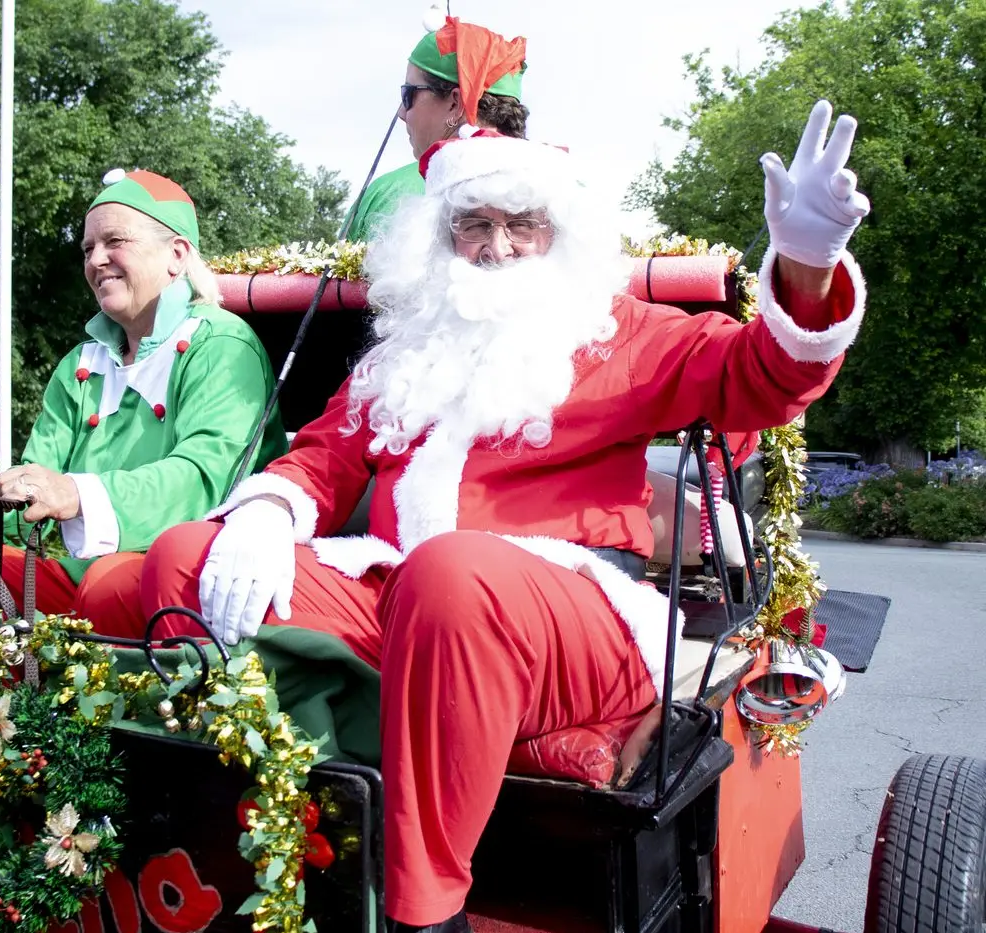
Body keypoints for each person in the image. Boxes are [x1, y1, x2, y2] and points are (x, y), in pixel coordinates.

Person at [140, 91, 870, 933]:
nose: (496, 246)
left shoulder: (618, 331)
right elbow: (324, 455)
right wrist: (268, 508)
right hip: (410, 601)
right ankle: (269, 842)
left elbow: (764, 378)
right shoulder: (407, 351)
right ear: (441, 240)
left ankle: (423, 913)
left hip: (579, 620)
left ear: (561, 233)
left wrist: (807, 263)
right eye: (472, 224)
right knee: (188, 558)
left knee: (453, 575)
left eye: (522, 222)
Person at [0, 169, 286, 643]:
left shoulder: (224, 344)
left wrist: (76, 494)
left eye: (114, 241)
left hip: (186, 571)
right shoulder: (79, 363)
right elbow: (36, 479)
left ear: (176, 255)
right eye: (88, 249)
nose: (96, 260)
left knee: (110, 584)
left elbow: (204, 482)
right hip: (79, 574)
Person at [345, 15, 529, 242]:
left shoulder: (387, 193)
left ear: (455, 104)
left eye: (408, 94)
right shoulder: (565, 190)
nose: (402, 113)